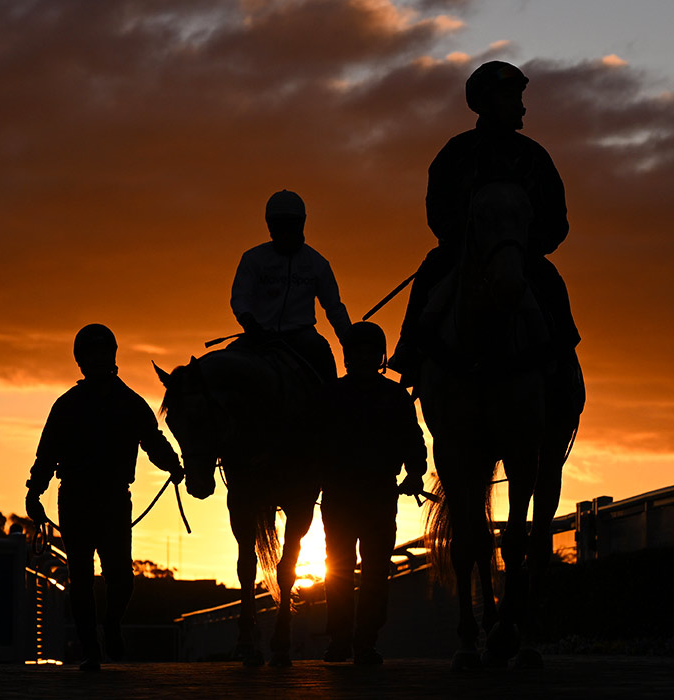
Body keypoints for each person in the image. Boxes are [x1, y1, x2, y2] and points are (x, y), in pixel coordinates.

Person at [389, 60, 579, 385]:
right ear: (486, 102)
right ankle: (409, 351)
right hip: (464, 253)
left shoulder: (535, 157)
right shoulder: (456, 153)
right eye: (511, 97)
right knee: (430, 274)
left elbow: (556, 218)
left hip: (522, 256)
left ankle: (564, 368)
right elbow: (437, 208)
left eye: (519, 97)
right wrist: (460, 241)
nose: (521, 106)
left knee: (551, 285)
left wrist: (527, 248)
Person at [25, 323, 183, 672]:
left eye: (101, 352)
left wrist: (173, 464)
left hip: (113, 501)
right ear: (81, 360)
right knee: (81, 578)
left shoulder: (130, 403)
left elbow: (153, 440)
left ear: (111, 356)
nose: (97, 359)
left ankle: (111, 626)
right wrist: (34, 492)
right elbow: (46, 455)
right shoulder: (67, 406)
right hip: (76, 500)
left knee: (120, 577)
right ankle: (91, 651)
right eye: (90, 353)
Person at [318, 321, 427, 665]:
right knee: (342, 567)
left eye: (369, 351)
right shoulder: (387, 395)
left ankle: (360, 641)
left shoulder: (336, 394)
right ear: (349, 356)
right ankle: (344, 639)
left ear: (378, 355)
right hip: (350, 496)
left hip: (371, 495)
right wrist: (414, 473)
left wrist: (416, 470)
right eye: (358, 351)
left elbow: (413, 441)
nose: (364, 357)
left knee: (370, 569)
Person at [230, 189, 352, 382]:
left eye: (291, 225)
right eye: (280, 226)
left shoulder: (317, 263)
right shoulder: (253, 259)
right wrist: (250, 323)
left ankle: (331, 407)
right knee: (226, 365)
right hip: (259, 336)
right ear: (270, 226)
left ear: (301, 224)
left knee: (323, 358)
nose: (286, 232)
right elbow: (240, 297)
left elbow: (334, 308)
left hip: (302, 338)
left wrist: (350, 341)